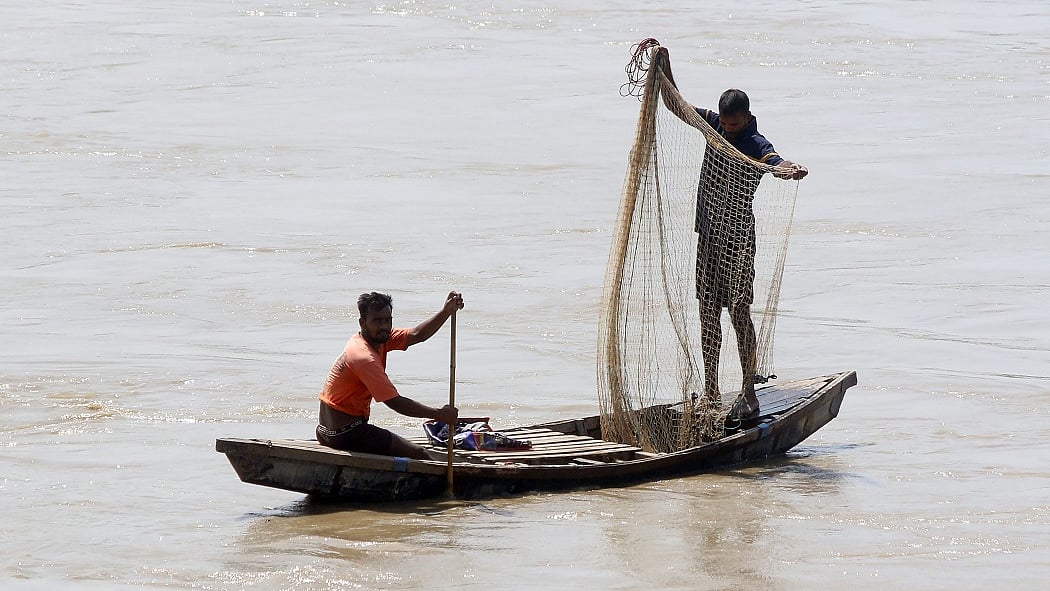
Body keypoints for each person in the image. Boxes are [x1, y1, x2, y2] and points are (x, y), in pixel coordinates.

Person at [690, 88, 808, 422]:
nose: (727, 129)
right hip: (709, 236)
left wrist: (790, 169)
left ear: (747, 116)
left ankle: (749, 393)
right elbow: (676, 103)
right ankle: (710, 392)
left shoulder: (755, 143)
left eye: (734, 123)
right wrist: (662, 67)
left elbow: (775, 162)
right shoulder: (712, 124)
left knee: (740, 313)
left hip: (738, 241)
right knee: (708, 314)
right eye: (724, 123)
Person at [316, 291, 463, 459]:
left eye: (388, 320)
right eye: (377, 321)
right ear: (362, 323)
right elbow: (394, 402)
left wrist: (446, 311)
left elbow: (417, 335)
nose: (384, 326)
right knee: (420, 454)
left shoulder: (380, 338)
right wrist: (439, 414)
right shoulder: (363, 356)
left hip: (327, 431)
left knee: (406, 447)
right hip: (345, 433)